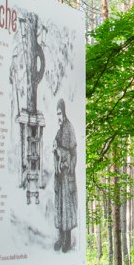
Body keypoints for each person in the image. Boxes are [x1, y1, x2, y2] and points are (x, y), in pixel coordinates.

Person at [52, 99, 77, 253]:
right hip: (60, 176)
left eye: (60, 113)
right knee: (60, 207)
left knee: (67, 208)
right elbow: (55, 147)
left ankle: (67, 240)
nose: (58, 117)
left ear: (64, 112)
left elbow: (73, 153)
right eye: (57, 114)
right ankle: (60, 238)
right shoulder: (59, 130)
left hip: (67, 175)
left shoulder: (69, 128)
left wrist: (69, 165)